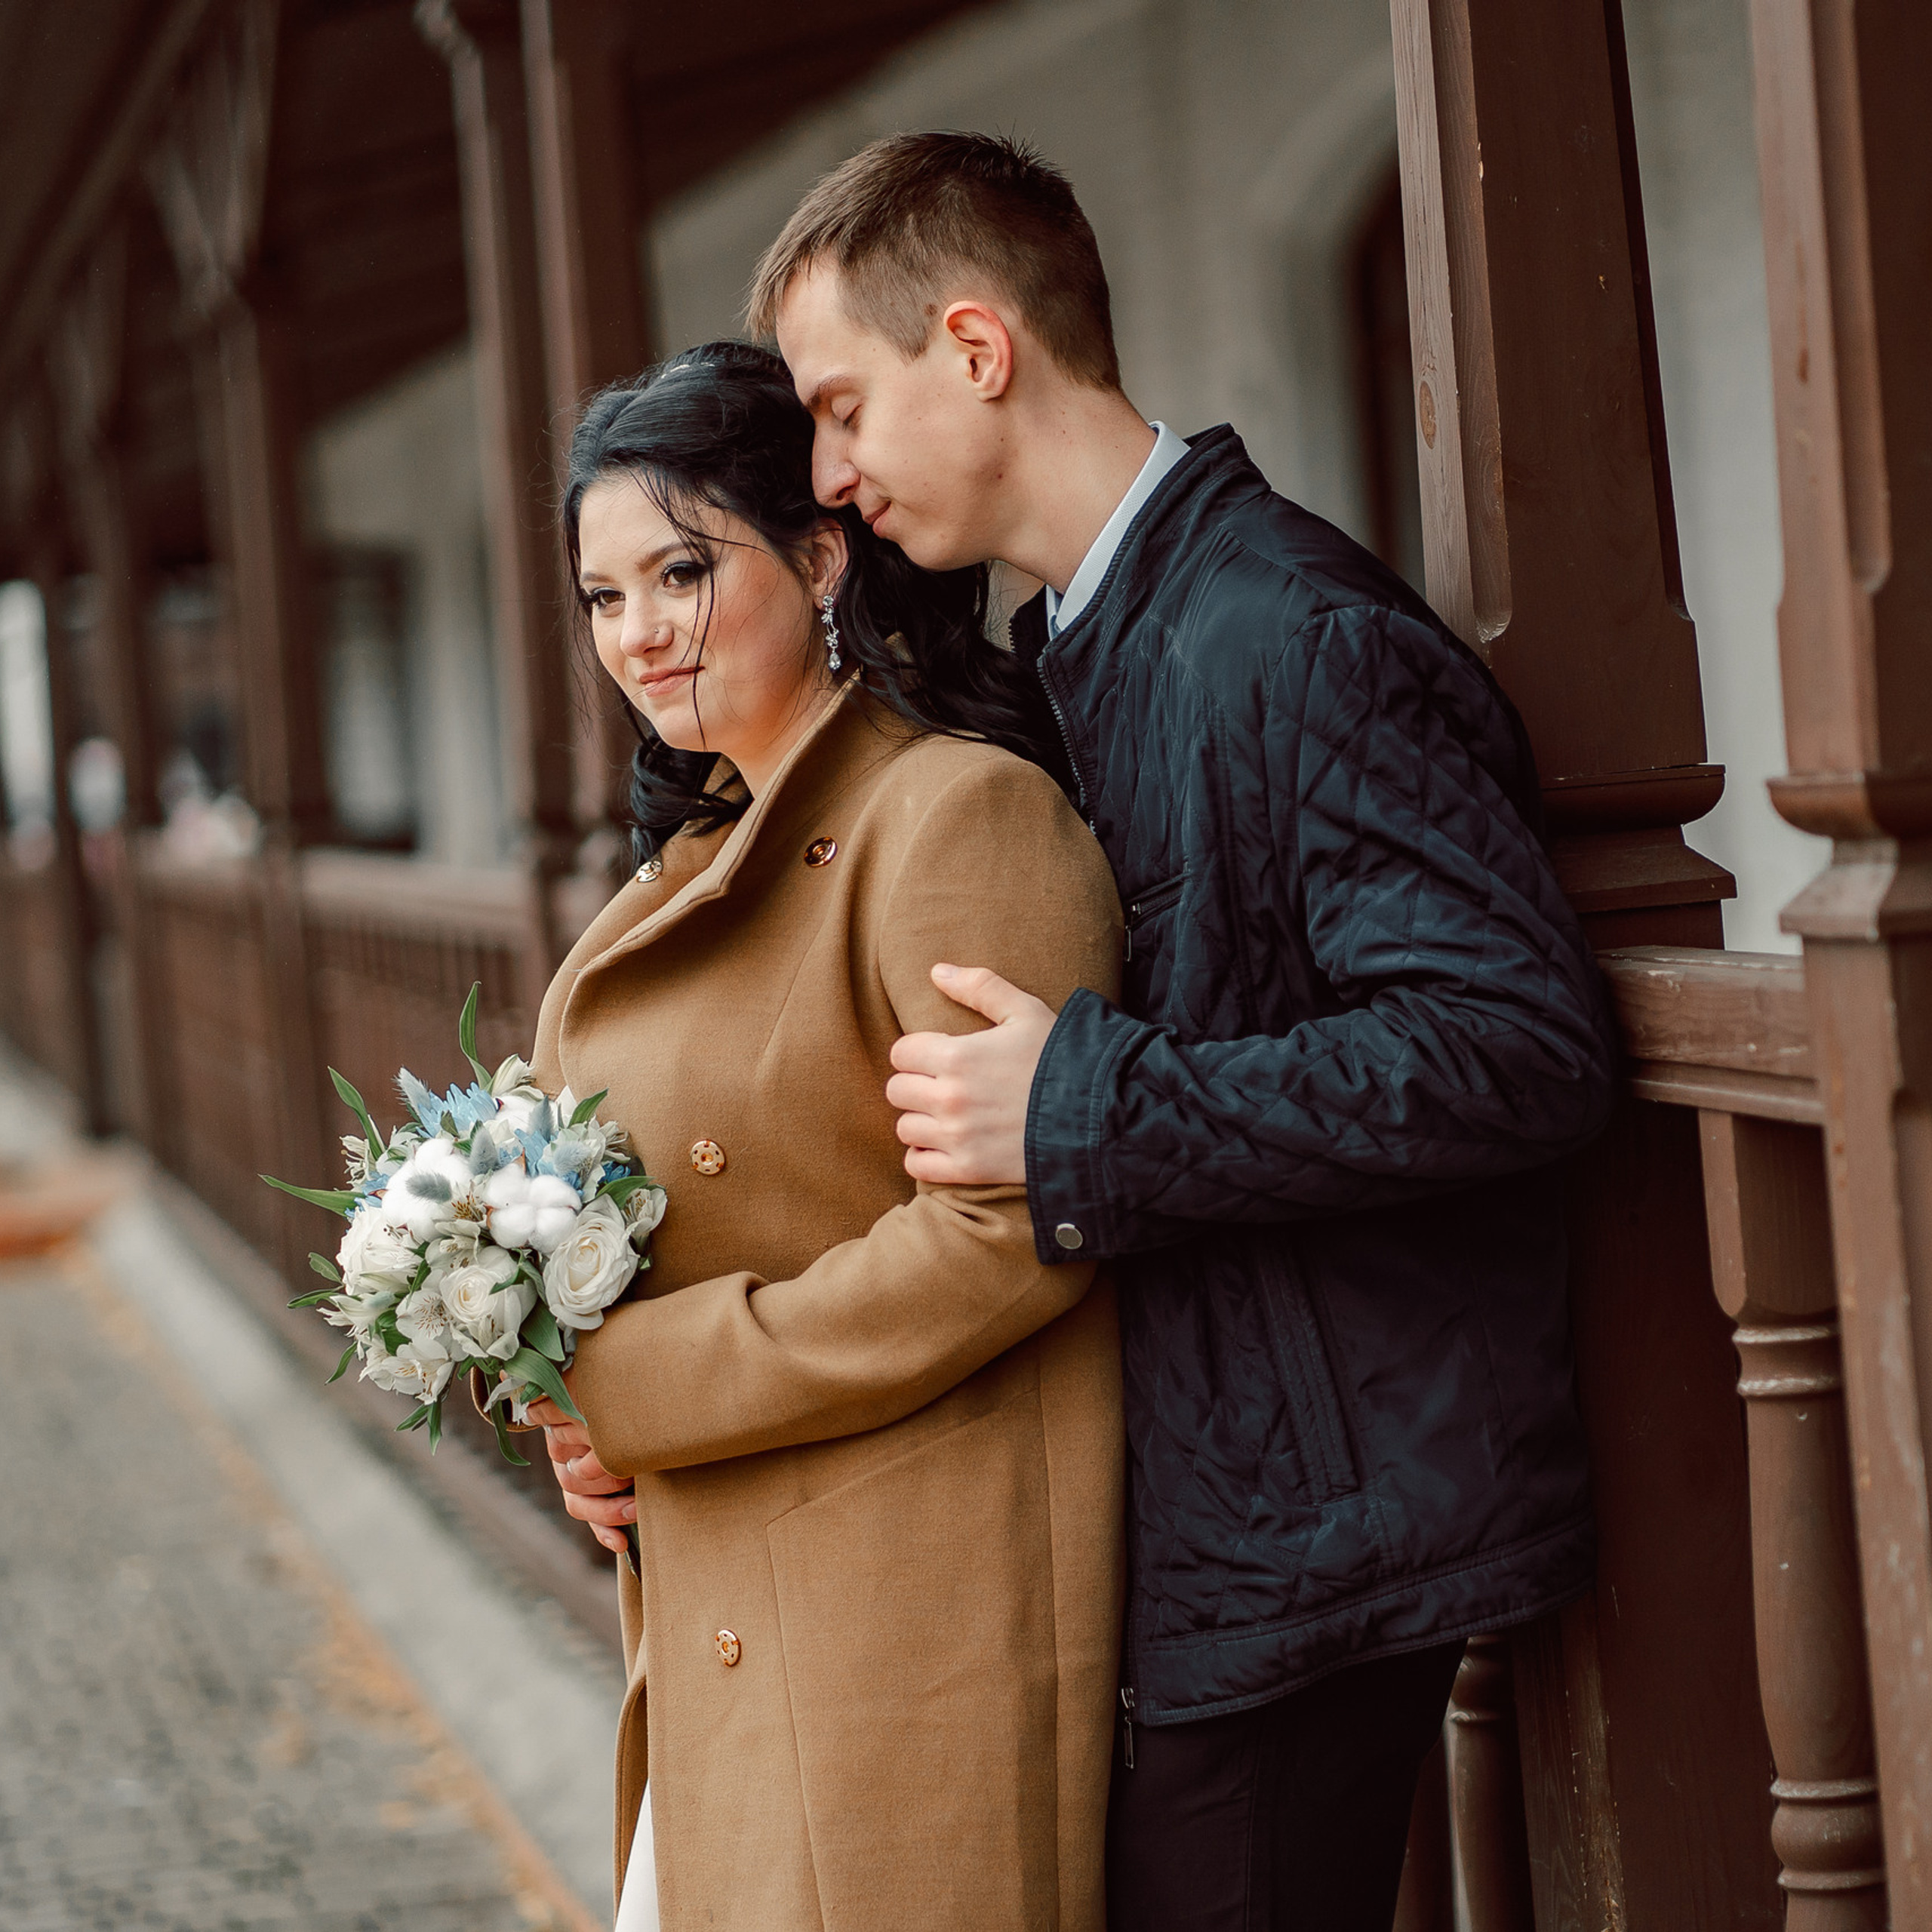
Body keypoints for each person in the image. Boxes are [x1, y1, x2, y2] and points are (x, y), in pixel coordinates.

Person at [751, 133, 1620, 1932]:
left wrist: (1088, 1114)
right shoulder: (1076, 644)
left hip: (1315, 1534)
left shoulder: (1287, 635)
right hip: (1198, 1512)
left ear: (976, 349)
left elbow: (1512, 1041)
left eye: (843, 407)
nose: (830, 471)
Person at [521, 342, 1125, 1932]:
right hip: (728, 1588)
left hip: (899, 1605)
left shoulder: (952, 815)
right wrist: (570, 1401)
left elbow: (1008, 1227)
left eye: (679, 569)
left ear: (816, 552)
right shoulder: (685, 856)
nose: (639, 632)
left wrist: (648, 1382)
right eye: (602, 597)